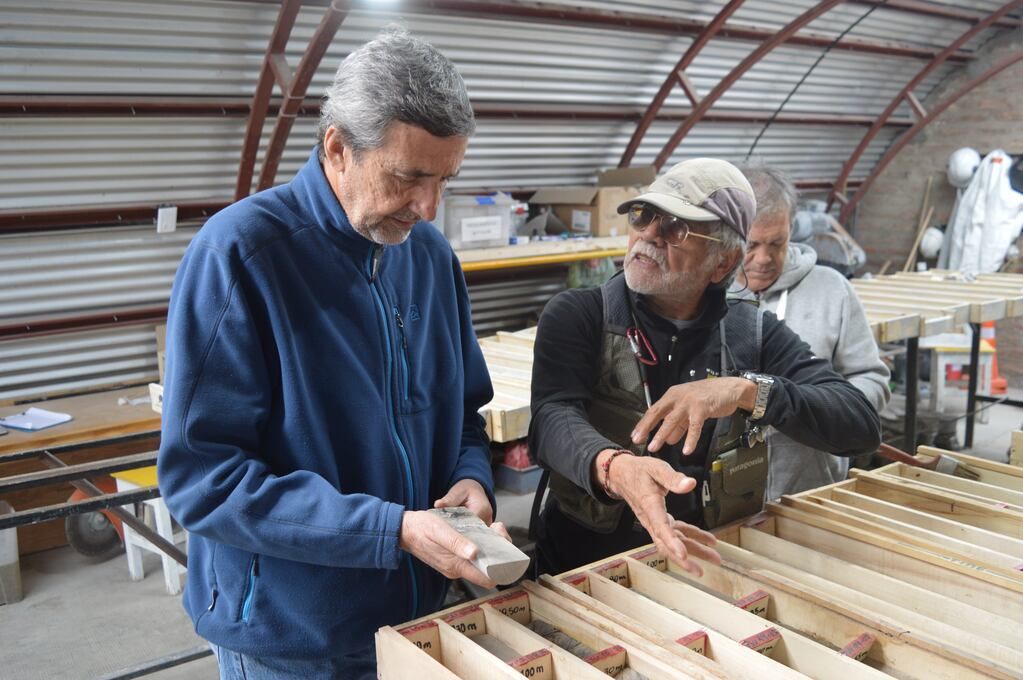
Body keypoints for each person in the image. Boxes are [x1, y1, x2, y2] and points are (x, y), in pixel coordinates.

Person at [157, 28, 504, 680]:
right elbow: (203, 481)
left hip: (417, 611)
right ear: (337, 149)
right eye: (408, 177)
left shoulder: (428, 257)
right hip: (292, 636)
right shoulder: (242, 256)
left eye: (445, 180)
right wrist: (389, 529)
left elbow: (462, 416)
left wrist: (470, 479)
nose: (428, 208)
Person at [528, 158, 882, 577]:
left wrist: (747, 391)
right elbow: (552, 419)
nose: (648, 237)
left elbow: (859, 423)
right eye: (644, 216)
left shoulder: (751, 333)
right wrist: (615, 467)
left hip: (700, 571)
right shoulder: (581, 314)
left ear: (722, 261)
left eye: (675, 227)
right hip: (586, 568)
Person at [730, 164, 890, 500]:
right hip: (721, 501)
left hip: (812, 490)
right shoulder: (706, 293)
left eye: (777, 242)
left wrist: (818, 409)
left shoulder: (832, 289)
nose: (763, 258)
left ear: (793, 229)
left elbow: (870, 380)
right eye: (752, 244)